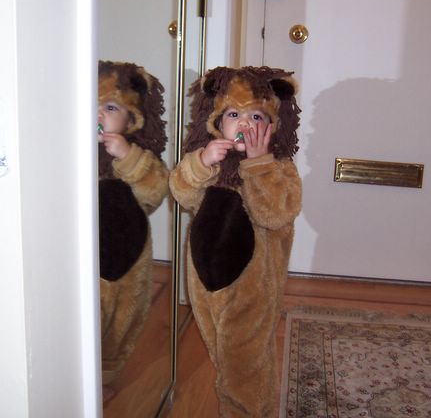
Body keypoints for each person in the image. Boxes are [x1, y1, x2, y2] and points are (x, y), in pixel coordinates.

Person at [169, 66, 302, 416]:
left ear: (273, 125)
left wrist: (258, 164)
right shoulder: (211, 162)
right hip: (205, 284)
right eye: (233, 115)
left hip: (252, 288)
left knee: (245, 360)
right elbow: (182, 193)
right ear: (217, 122)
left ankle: (248, 411)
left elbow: (276, 214)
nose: (244, 123)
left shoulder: (278, 168)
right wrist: (200, 162)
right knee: (222, 352)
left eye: (256, 116)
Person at [97, 60, 169, 402]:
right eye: (91, 106)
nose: (98, 115)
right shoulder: (68, 154)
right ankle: (75, 372)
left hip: (129, 258)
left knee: (122, 318)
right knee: (84, 316)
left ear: (131, 120)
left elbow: (155, 191)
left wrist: (126, 156)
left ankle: (104, 372)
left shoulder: (138, 155)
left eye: (110, 108)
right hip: (82, 261)